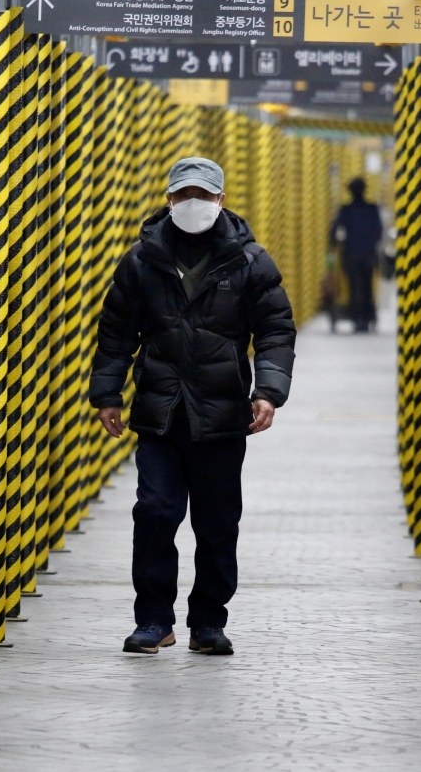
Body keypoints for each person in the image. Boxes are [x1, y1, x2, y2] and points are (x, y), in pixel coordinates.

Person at [89, 156, 296, 656]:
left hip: (221, 417)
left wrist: (268, 391)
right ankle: (153, 620)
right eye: (184, 195)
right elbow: (116, 333)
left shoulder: (249, 261)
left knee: (217, 522)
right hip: (160, 414)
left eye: (202, 195)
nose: (193, 203)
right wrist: (107, 394)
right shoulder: (141, 261)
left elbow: (275, 330)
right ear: (169, 200)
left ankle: (208, 622)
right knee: (155, 513)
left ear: (220, 200)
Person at [330, 177, 383, 332]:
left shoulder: (346, 210)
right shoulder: (372, 209)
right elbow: (378, 230)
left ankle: (357, 317)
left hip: (351, 254)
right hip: (368, 254)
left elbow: (334, 231)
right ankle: (366, 317)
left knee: (354, 287)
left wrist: (336, 244)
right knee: (367, 287)